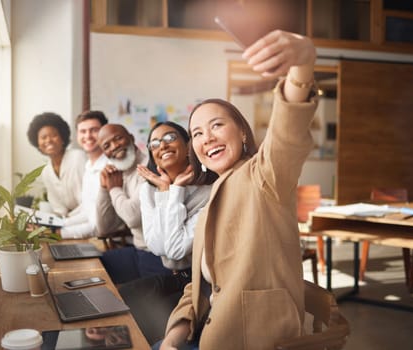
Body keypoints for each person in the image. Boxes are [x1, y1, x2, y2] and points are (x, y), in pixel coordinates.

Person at [157, 30, 319, 350]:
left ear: (242, 132)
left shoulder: (263, 175)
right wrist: (172, 338)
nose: (208, 138)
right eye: (198, 133)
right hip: (203, 332)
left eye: (217, 125)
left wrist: (302, 65)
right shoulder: (211, 200)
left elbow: (287, 133)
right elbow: (200, 286)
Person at [118, 121, 214, 345]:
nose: (162, 145)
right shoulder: (149, 189)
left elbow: (175, 249)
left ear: (188, 144)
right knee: (126, 297)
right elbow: (157, 246)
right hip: (178, 276)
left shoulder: (210, 190)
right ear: (152, 154)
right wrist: (164, 190)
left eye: (170, 138)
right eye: (155, 143)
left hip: (201, 282)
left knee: (145, 315)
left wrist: (175, 190)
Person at [95, 124, 171, 284]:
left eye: (118, 138)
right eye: (107, 146)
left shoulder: (151, 167)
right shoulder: (117, 173)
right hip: (138, 251)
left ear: (131, 137)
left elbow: (132, 217)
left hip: (159, 258)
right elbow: (104, 228)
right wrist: (104, 188)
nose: (115, 146)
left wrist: (114, 189)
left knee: (128, 298)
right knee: (93, 265)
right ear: (104, 153)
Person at [59, 110, 109, 239]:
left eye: (94, 130)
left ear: (104, 132)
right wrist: (59, 224)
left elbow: (96, 226)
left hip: (111, 243)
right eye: (83, 131)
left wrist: (58, 233)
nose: (88, 136)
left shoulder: (109, 169)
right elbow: (88, 212)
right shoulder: (89, 166)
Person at [27, 112, 86, 217]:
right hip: (70, 221)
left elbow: (88, 201)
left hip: (90, 217)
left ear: (62, 138)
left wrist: (67, 219)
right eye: (43, 137)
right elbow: (59, 209)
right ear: (38, 144)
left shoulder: (78, 157)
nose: (49, 140)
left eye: (54, 135)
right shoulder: (46, 172)